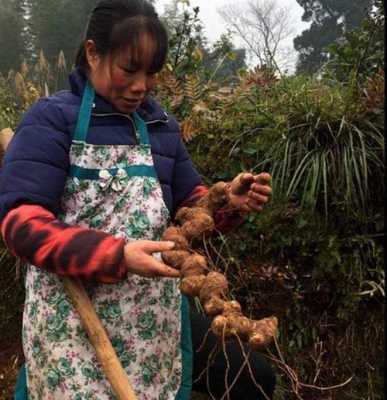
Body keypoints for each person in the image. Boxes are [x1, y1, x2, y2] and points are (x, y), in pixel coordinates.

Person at [0, 1, 275, 399]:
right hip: (75, 322)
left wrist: (227, 203)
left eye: (152, 73)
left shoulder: (161, 127)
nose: (141, 86)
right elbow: (20, 224)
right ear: (93, 53)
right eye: (129, 70)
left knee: (250, 378)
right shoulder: (51, 120)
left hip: (151, 319)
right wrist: (116, 254)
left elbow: (190, 210)